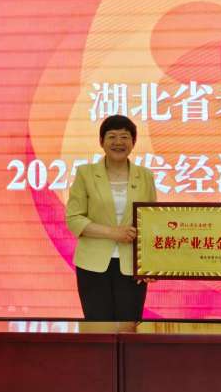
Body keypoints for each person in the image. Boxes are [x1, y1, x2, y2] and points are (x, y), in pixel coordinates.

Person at [66, 115, 157, 321]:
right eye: (112, 136)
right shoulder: (85, 173)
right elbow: (74, 219)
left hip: (133, 265)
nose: (118, 142)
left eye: (124, 137)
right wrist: (113, 233)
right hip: (92, 264)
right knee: (98, 327)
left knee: (129, 326)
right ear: (101, 141)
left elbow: (151, 222)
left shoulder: (145, 176)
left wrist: (151, 263)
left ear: (133, 142)